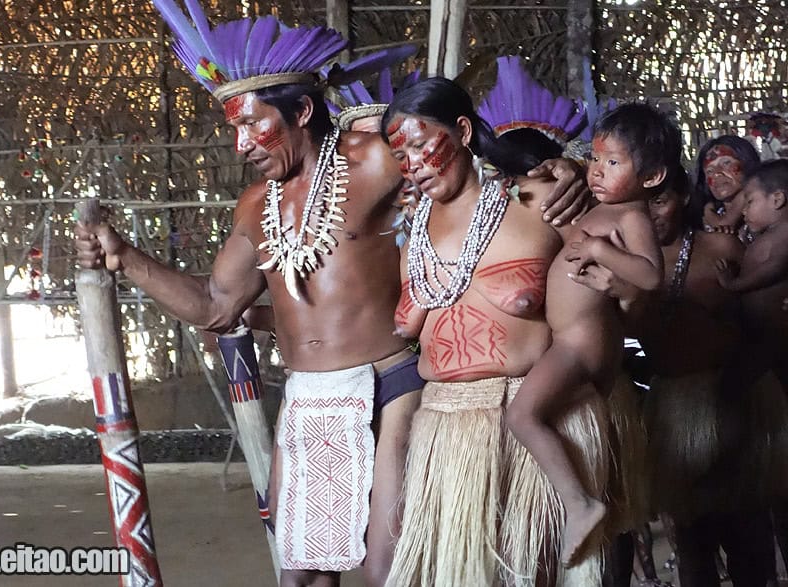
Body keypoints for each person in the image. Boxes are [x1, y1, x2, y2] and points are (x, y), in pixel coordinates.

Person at [76, 5, 587, 586]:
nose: (241, 144)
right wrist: (125, 257)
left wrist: (557, 171)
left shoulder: (373, 161)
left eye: (253, 125)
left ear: (300, 110)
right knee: (305, 577)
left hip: (389, 384)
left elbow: (455, 161)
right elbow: (218, 304)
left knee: (386, 568)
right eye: (234, 130)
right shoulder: (254, 206)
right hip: (310, 397)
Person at [383, 76, 607, 587]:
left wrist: (572, 172)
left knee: (535, 572)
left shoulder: (538, 200)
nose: (412, 165)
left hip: (528, 418)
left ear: (462, 131)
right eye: (401, 155)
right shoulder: (413, 234)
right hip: (445, 425)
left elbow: (610, 298)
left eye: (421, 145)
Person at [587, 165, 781, 587]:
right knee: (693, 539)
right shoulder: (621, 265)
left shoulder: (722, 248)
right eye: (641, 203)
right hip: (673, 408)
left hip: (736, 398)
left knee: (748, 532)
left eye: (659, 200)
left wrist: (740, 386)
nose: (650, 212)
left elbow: (762, 327)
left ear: (683, 198)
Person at [506, 102, 675, 566]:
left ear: (653, 176)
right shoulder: (603, 208)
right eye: (595, 159)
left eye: (612, 163)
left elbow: (650, 277)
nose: (597, 172)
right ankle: (579, 503)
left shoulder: (630, 219)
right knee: (526, 416)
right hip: (573, 340)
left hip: (584, 344)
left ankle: (580, 503)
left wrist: (601, 248)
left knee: (523, 416)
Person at [714, 159, 788, 390]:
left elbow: (774, 268)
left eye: (750, 201)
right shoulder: (769, 233)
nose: (743, 210)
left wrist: (735, 284)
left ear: (777, 199)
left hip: (775, 332)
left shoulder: (785, 233)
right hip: (758, 330)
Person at [690, 135, 761, 243]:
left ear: (747, 163)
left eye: (726, 163)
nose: (717, 173)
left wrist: (708, 214)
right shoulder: (700, 216)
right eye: (709, 171)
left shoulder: (763, 206)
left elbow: (724, 224)